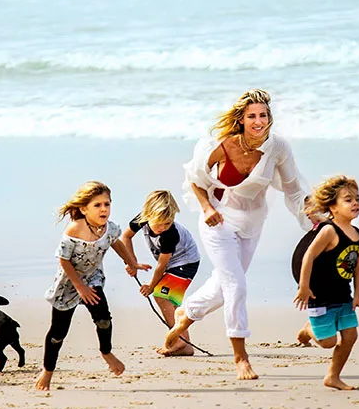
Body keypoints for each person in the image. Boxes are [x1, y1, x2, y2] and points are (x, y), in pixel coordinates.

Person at [165, 89, 311, 380]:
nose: (259, 121)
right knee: (236, 286)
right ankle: (240, 358)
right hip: (217, 220)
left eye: (263, 115)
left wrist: (312, 214)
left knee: (223, 287)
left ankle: (185, 316)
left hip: (253, 223)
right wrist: (206, 208)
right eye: (252, 116)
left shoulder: (277, 147)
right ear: (241, 120)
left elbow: (294, 187)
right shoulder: (222, 144)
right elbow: (195, 179)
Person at [34, 181, 149, 391]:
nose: (103, 209)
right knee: (58, 333)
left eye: (107, 204)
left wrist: (131, 262)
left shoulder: (110, 228)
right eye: (97, 205)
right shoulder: (74, 230)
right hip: (69, 284)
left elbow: (116, 242)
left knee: (103, 320)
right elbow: (63, 260)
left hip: (93, 278)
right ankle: (47, 371)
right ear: (83, 209)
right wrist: (80, 287)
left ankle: (106, 352)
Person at [293, 176, 359, 390]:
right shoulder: (329, 230)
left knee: (350, 335)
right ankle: (308, 331)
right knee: (327, 342)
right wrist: (303, 287)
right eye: (348, 200)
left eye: (357, 198)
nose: (355, 202)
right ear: (333, 207)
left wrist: (358, 296)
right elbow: (308, 256)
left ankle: (332, 376)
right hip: (319, 293)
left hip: (342, 294)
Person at [120, 190, 200, 356]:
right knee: (171, 302)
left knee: (160, 295)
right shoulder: (141, 218)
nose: (163, 228)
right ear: (148, 215)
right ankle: (185, 345)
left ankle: (177, 340)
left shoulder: (170, 235)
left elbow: (161, 266)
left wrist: (151, 285)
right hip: (173, 264)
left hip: (186, 263)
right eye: (159, 224)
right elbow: (125, 237)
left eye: (168, 223)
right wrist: (131, 262)